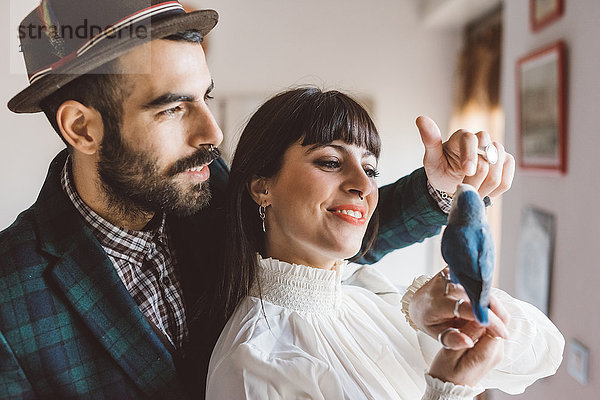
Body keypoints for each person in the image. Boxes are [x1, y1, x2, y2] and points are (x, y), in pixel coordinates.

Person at [0, 1, 516, 398]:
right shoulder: (10, 297)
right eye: (172, 108)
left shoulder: (211, 187)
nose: (212, 131)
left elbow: (323, 231)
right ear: (82, 128)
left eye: (204, 96)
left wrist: (440, 187)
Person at [206, 88, 564, 399]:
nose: (363, 185)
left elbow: (544, 353)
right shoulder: (253, 364)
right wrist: (446, 390)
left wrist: (449, 311)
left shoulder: (373, 295)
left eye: (371, 169)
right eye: (331, 161)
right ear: (262, 186)